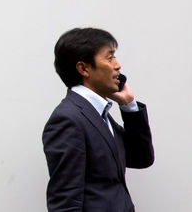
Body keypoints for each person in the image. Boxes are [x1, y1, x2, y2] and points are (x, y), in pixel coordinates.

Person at [42, 27, 154, 212]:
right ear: (83, 68)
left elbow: (141, 157)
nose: (117, 65)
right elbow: (65, 203)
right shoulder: (68, 119)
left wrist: (129, 105)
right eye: (109, 58)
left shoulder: (98, 113)